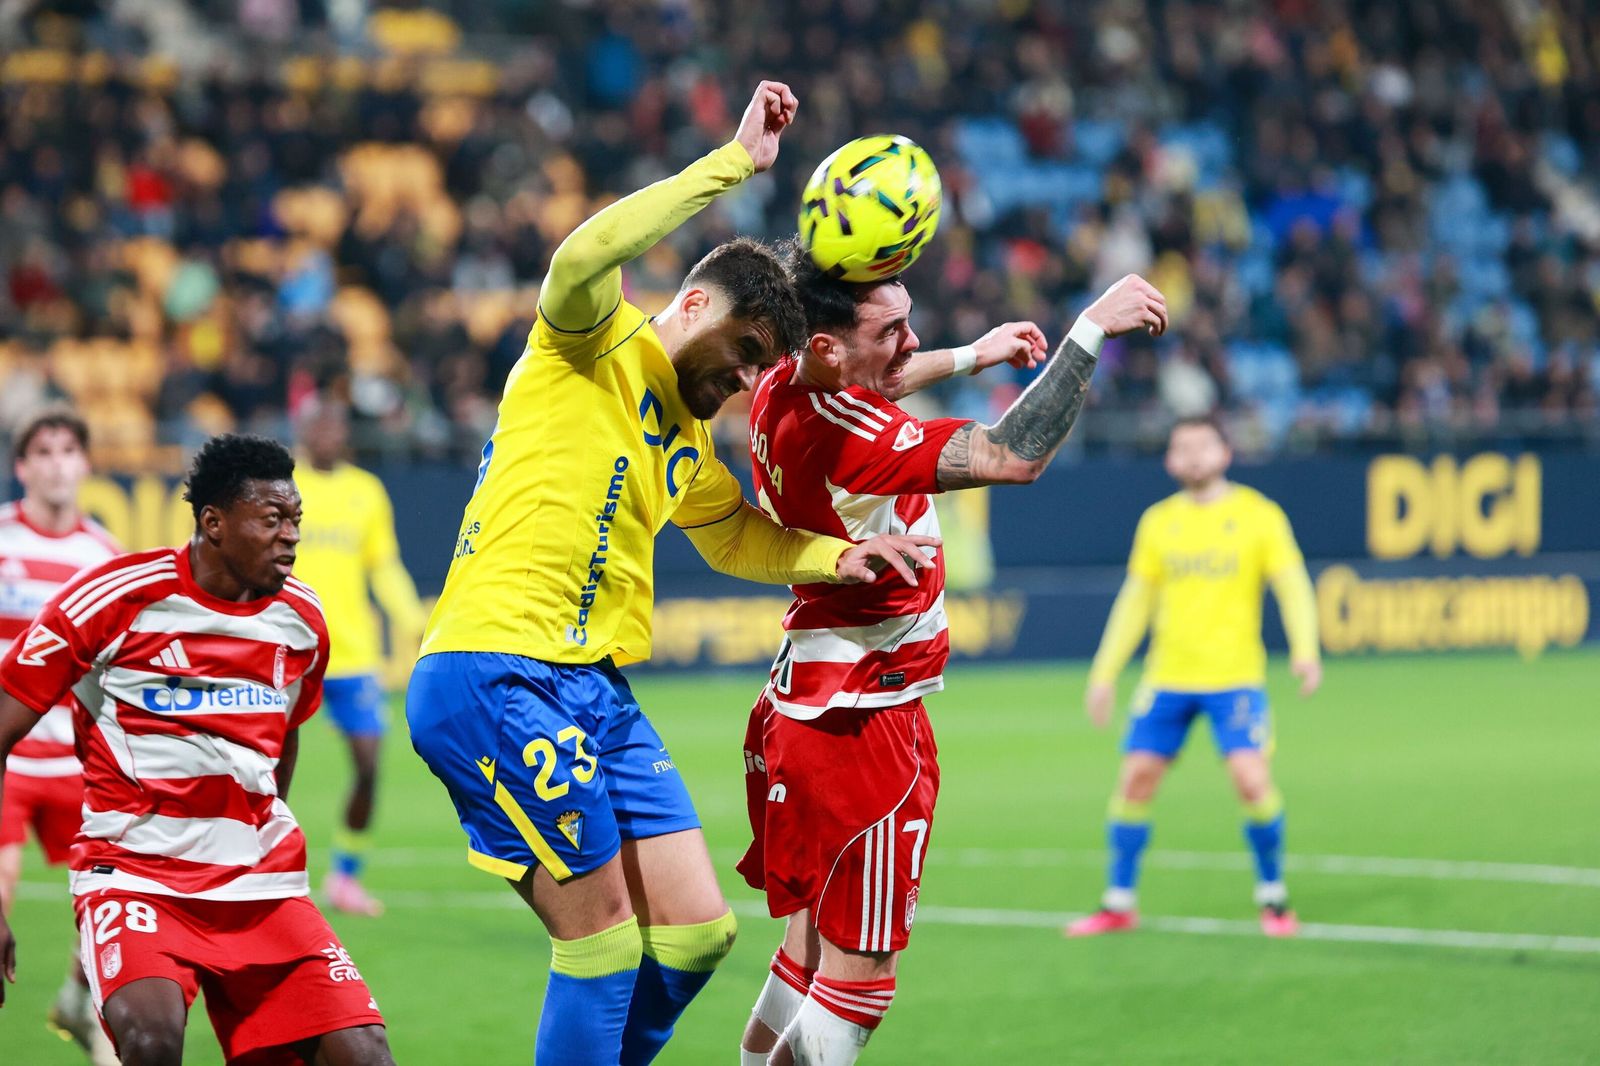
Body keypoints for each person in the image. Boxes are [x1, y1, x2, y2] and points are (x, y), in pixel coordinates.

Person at [404, 80, 936, 1066]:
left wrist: (835, 554)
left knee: (696, 932)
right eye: (740, 353)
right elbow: (580, 254)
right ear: (690, 303)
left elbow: (735, 537)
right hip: (494, 669)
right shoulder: (585, 341)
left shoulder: (685, 438)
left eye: (755, 370)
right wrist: (732, 166)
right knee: (602, 945)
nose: (741, 382)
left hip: (593, 687)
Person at [736, 252, 1170, 1066]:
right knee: (857, 982)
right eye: (891, 329)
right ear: (831, 347)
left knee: (806, 952)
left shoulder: (783, 384)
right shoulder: (855, 437)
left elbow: (882, 382)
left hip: (803, 701)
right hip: (859, 725)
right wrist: (1088, 329)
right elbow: (1014, 453)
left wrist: (977, 353)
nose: (912, 342)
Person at [0, 434, 393, 1066]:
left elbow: (282, 739)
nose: (292, 536)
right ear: (213, 522)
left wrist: (254, 833)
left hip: (261, 887)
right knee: (152, 1045)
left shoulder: (302, 620)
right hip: (136, 876)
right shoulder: (111, 600)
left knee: (366, 1054)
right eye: (272, 519)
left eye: (296, 520)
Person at [1066, 415, 1321, 938]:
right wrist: (1105, 673)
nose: (1194, 455)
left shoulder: (1258, 515)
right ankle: (1119, 901)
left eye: (1204, 445)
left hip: (1235, 679)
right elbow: (1136, 600)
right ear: (1170, 461)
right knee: (1135, 779)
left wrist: (1305, 648)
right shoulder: (1159, 521)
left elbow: (1291, 583)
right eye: (1182, 447)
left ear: (1226, 453)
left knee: (1252, 781)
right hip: (1167, 679)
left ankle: (1273, 897)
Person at [0, 407, 120, 1064]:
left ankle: (84, 1005)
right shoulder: (2, 541)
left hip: (77, 762)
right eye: (40, 451)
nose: (54, 462)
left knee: (111, 906)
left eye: (66, 449)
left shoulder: (102, 556)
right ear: (21, 467)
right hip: (8, 757)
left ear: (84, 464)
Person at [293, 398, 426, 916]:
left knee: (369, 766)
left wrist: (412, 620)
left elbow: (384, 564)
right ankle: (260, 871)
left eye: (334, 425)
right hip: (292, 651)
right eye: (318, 424)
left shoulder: (365, 492)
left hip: (351, 654)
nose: (328, 433)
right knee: (267, 767)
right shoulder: (285, 488)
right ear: (303, 432)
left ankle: (345, 878)